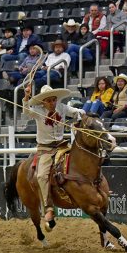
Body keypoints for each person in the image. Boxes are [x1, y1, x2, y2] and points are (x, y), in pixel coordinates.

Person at [21, 85, 85, 228]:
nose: (52, 103)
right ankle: (48, 208)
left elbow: (78, 112)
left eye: (54, 100)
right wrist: (26, 97)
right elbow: (26, 111)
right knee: (41, 176)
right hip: (46, 150)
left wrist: (80, 117)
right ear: (43, 102)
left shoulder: (62, 108)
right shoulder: (38, 111)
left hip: (63, 146)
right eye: (49, 101)